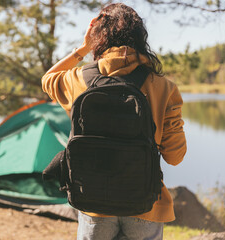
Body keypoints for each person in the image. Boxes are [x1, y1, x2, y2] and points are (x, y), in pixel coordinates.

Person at [41, 3, 187, 240]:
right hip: (145, 203)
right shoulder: (165, 88)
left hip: (92, 202)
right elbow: (175, 156)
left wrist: (82, 48)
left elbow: (47, 79)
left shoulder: (78, 79)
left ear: (98, 38)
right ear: (141, 38)